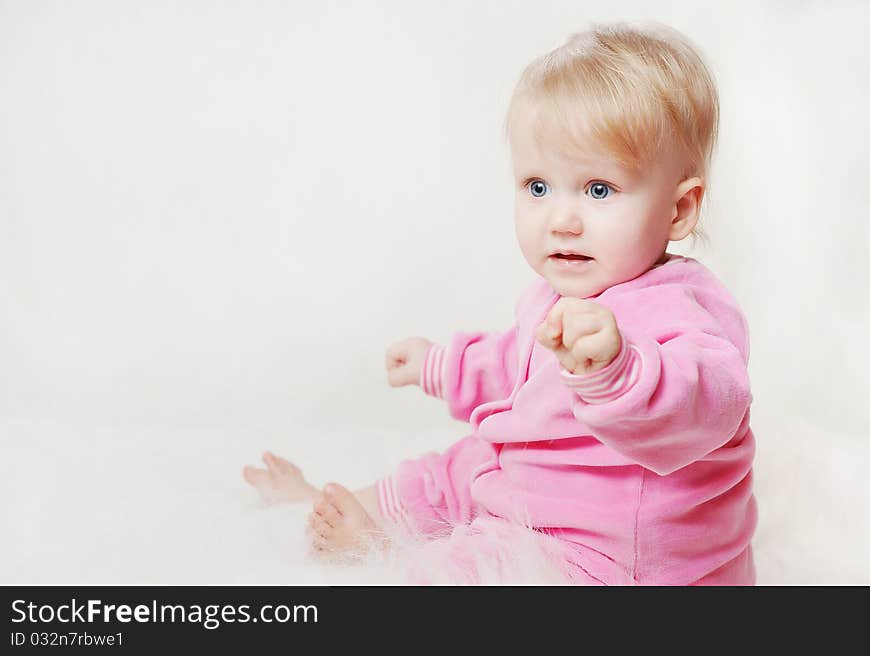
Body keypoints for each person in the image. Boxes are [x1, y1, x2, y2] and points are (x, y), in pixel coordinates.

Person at [243, 21, 757, 585]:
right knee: (454, 469)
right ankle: (354, 513)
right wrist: (441, 364)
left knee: (473, 565)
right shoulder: (556, 294)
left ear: (679, 210)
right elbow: (516, 364)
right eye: (538, 187)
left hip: (614, 559)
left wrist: (619, 371)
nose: (561, 220)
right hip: (534, 488)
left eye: (599, 190)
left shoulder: (686, 309)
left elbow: (707, 400)